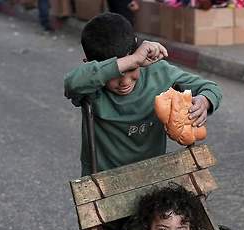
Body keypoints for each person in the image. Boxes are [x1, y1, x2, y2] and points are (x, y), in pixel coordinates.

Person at [64, 12, 222, 176]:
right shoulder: (92, 85)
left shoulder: (157, 73)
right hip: (103, 181)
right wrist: (133, 61)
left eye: (131, 70)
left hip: (152, 174)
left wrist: (204, 100)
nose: (124, 82)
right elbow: (71, 83)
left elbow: (210, 87)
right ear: (92, 65)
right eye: (115, 73)